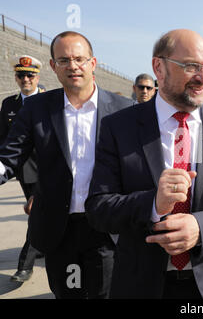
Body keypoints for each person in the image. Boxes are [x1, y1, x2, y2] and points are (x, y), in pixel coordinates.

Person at [85, 29, 203, 299]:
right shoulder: (118, 128)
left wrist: (201, 227)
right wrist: (153, 204)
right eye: (191, 66)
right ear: (159, 67)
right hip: (142, 282)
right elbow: (98, 208)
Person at [0, 31, 132, 298]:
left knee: (104, 294)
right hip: (59, 231)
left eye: (79, 59)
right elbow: (10, 157)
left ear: (93, 63)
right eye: (64, 60)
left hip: (105, 230)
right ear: (53, 66)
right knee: (67, 294)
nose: (73, 66)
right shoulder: (36, 108)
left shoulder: (122, 109)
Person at [0, 55, 44, 283]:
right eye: (21, 75)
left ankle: (24, 266)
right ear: (16, 78)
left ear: (38, 77)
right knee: (39, 213)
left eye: (30, 75)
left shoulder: (50, 101)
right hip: (23, 171)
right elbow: (4, 139)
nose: (26, 79)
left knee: (38, 213)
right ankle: (43, 245)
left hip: (48, 169)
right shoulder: (9, 104)